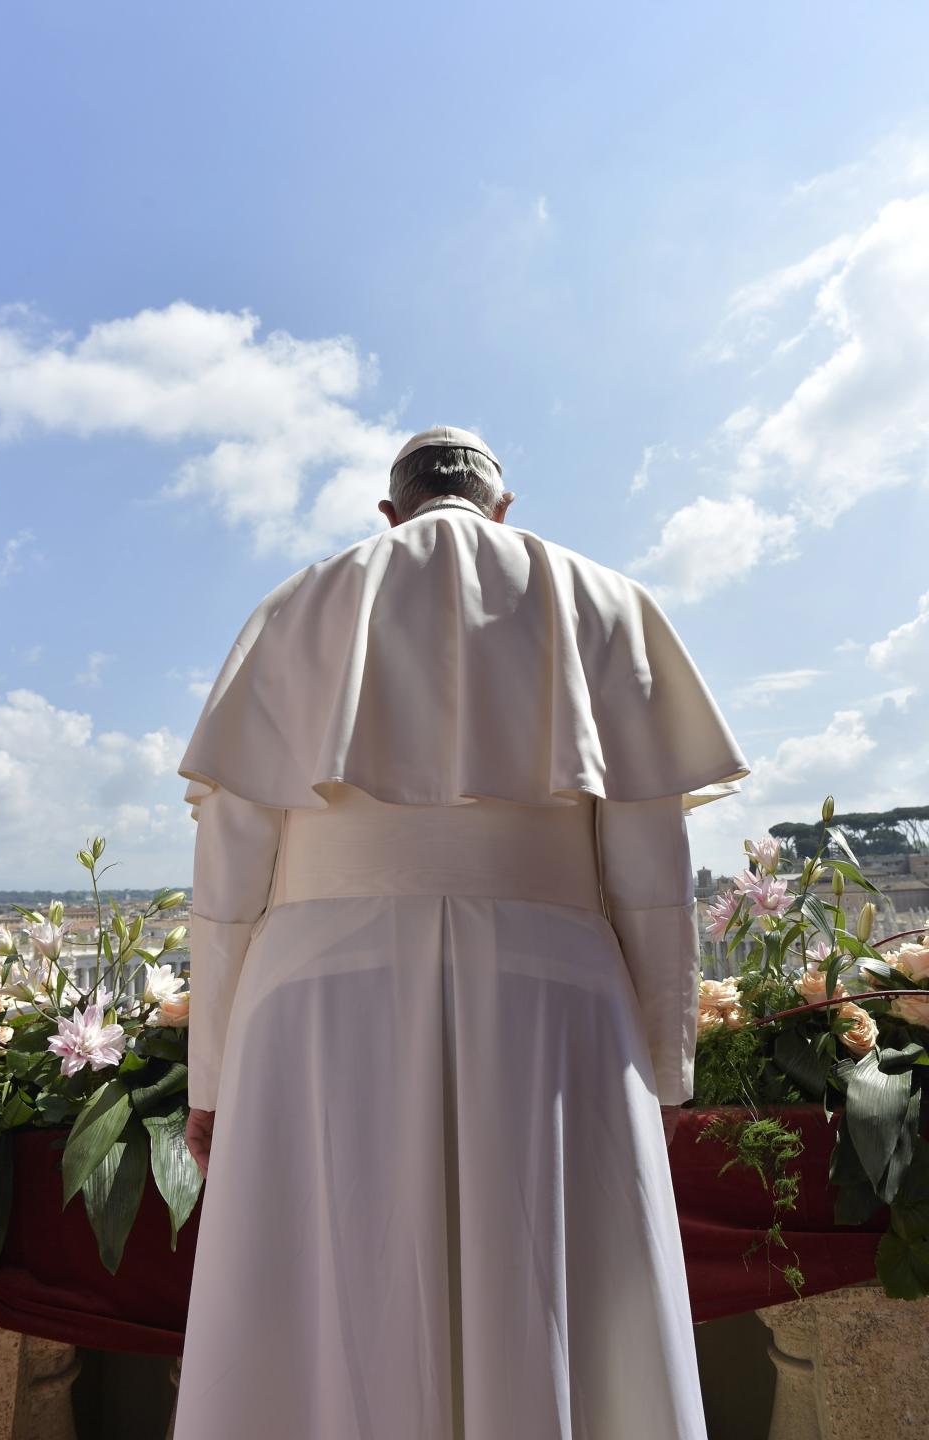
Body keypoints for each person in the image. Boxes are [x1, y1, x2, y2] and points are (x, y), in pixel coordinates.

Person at [172, 424, 750, 1440]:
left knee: (329, 1307)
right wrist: (664, 1070)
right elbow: (653, 883)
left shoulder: (294, 607)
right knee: (555, 1306)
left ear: (386, 512)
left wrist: (211, 1080)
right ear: (503, 507)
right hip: (552, 988)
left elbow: (228, 885)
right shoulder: (609, 602)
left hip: (314, 994)